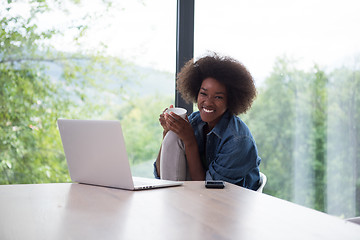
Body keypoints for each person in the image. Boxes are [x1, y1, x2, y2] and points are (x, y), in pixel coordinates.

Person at [154, 52, 261, 190]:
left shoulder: (238, 140)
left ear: (231, 100)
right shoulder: (195, 121)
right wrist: (167, 132)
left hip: (231, 205)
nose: (208, 102)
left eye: (218, 97)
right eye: (203, 94)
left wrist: (189, 140)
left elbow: (208, 191)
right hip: (196, 200)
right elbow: (160, 174)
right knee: (173, 135)